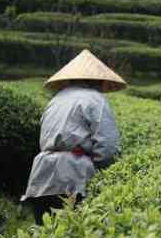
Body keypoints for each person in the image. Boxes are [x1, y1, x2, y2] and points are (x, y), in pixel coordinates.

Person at [21, 49, 127, 225]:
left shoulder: (55, 100)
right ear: (98, 80)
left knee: (45, 231)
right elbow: (108, 148)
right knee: (72, 229)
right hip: (73, 176)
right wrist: (101, 170)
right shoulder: (96, 100)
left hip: (41, 176)